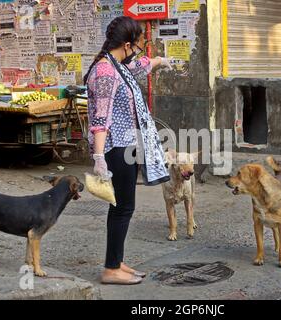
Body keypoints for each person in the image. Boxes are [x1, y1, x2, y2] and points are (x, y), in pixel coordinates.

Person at [84, 16, 172, 285]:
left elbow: (139, 67)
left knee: (122, 208)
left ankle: (116, 262)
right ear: (126, 44)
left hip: (126, 145)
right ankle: (110, 269)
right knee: (122, 208)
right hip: (115, 148)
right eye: (137, 45)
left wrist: (160, 62)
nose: (138, 51)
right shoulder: (105, 72)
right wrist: (99, 158)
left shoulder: (117, 65)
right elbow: (101, 118)